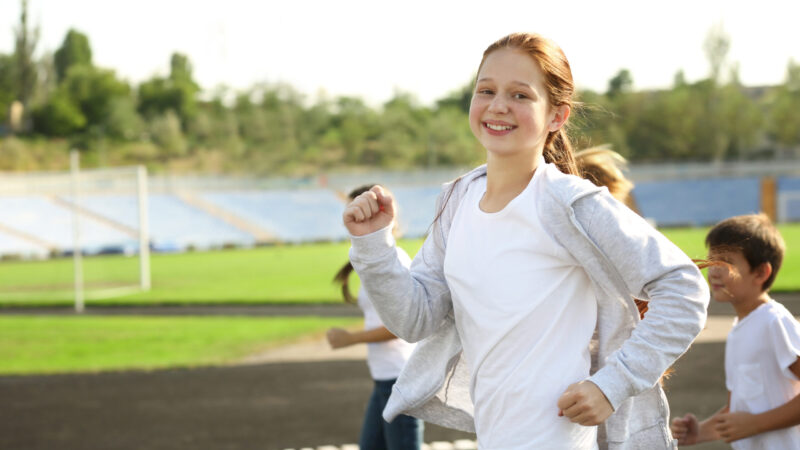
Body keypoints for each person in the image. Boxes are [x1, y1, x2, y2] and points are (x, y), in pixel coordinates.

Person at [344, 32, 708, 449]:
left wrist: (612, 384)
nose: (498, 105)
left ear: (557, 116)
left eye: (520, 95)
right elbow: (415, 319)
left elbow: (684, 286)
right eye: (486, 90)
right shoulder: (458, 199)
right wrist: (374, 246)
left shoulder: (568, 202)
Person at [671, 214, 800, 449]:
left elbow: (751, 420)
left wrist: (758, 424)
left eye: (725, 262)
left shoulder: (774, 322)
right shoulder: (739, 329)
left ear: (761, 273)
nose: (713, 272)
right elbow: (740, 408)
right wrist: (700, 432)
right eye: (711, 261)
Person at [327, 184, 423, 450]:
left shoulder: (396, 261)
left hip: (400, 377)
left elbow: (402, 325)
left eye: (356, 210)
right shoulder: (372, 262)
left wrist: (351, 338)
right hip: (385, 378)